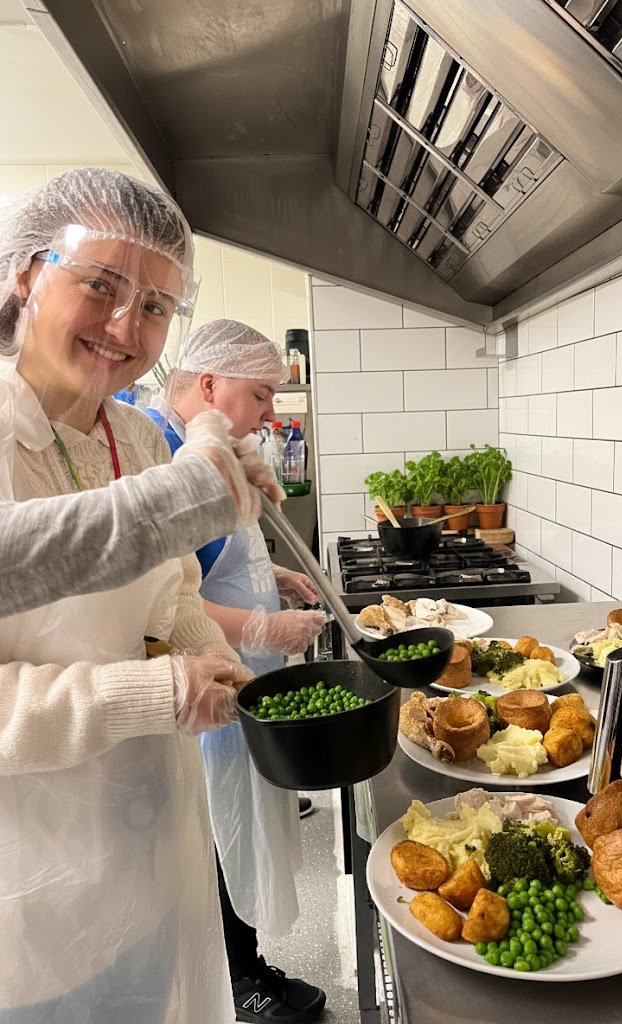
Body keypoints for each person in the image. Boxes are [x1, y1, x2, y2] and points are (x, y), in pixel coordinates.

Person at [0, 167, 250, 1023]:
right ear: (28, 273)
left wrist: (199, 651)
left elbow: (171, 588)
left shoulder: (137, 435)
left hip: (147, 852)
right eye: (100, 286)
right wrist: (153, 693)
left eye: (154, 307)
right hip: (31, 898)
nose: (123, 326)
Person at [147, 319, 326, 1024]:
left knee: (232, 834)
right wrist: (259, 627)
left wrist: (269, 575)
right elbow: (167, 601)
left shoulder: (206, 447)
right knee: (213, 839)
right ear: (210, 385)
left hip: (234, 686)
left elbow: (209, 559)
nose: (269, 415)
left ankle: (246, 966)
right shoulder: (162, 454)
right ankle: (237, 985)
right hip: (199, 692)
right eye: (259, 395)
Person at [0, 408, 284, 617]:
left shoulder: (138, 431)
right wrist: (182, 496)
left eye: (157, 321)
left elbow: (177, 587)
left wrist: (207, 652)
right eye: (259, 396)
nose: (124, 332)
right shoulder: (8, 427)